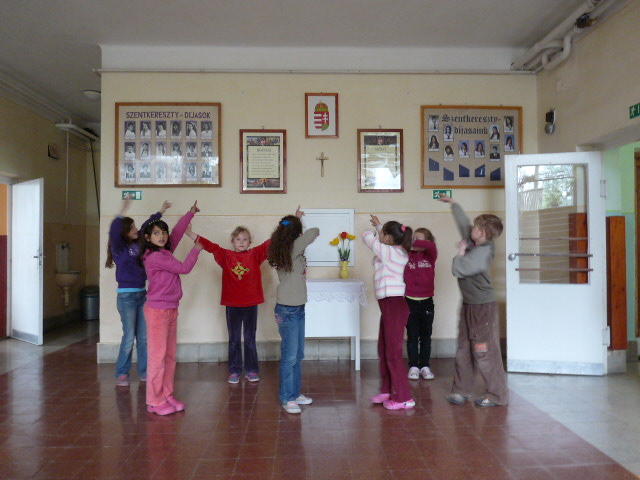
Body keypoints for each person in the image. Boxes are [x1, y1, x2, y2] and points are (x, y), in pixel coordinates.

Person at [438, 194, 507, 407]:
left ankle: (497, 395)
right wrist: (454, 204)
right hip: (469, 304)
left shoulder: (483, 253)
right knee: (464, 347)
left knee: (484, 351)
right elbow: (464, 225)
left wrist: (460, 251)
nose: (472, 230)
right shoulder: (475, 241)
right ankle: (461, 390)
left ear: (483, 233)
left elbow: (459, 268)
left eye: (476, 227)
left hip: (482, 308)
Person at [140, 201, 203, 415]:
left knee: (169, 356)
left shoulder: (165, 251)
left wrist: (190, 213)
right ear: (148, 238)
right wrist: (196, 249)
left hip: (170, 309)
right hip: (157, 312)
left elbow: (176, 233)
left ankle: (166, 394)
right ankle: (154, 401)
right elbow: (184, 268)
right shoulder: (155, 257)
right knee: (157, 359)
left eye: (163, 232)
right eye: (157, 233)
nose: (162, 236)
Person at [186, 225, 271, 384]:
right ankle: (235, 370)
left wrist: (289, 224)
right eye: (238, 239)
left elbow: (270, 243)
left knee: (250, 338)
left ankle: (251, 370)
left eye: (245, 239)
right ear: (232, 242)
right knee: (234, 339)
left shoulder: (255, 254)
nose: (241, 242)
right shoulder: (225, 256)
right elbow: (210, 246)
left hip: (251, 304)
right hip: (232, 305)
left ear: (250, 242)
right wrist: (189, 233)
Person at [106, 199, 172, 387]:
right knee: (129, 337)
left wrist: (161, 210)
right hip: (126, 297)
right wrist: (123, 209)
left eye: (135, 227)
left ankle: (144, 372)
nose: (136, 229)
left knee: (143, 337)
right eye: (132, 228)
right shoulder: (119, 248)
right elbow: (113, 230)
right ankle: (122, 373)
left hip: (142, 295)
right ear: (124, 232)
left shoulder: (140, 243)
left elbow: (147, 225)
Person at [267, 207, 319, 414]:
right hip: (287, 311)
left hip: (297, 308)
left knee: (297, 354)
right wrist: (298, 224)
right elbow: (314, 232)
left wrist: (295, 221)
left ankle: (295, 394)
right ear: (295, 234)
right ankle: (287, 398)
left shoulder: (288, 249)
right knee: (290, 356)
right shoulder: (292, 248)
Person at [363, 214, 415, 410]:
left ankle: (404, 397)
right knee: (384, 348)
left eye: (383, 235)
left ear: (387, 237)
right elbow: (383, 240)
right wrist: (380, 226)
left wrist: (374, 230)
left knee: (393, 352)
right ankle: (388, 390)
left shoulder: (391, 252)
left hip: (395, 304)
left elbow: (367, 237)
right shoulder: (393, 250)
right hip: (387, 305)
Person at [404, 228, 438, 381]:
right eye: (414, 238)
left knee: (426, 336)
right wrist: (409, 243)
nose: (415, 241)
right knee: (412, 336)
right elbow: (401, 245)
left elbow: (431, 246)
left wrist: (416, 242)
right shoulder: (408, 255)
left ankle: (425, 366)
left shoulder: (430, 256)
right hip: (409, 301)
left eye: (419, 239)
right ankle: (413, 366)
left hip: (426, 302)